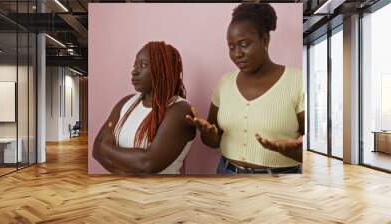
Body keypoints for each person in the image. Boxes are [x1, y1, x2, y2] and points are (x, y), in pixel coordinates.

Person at [186, 3, 304, 174]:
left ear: (265, 39)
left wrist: (291, 151)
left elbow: (313, 149)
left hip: (280, 183)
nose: (237, 54)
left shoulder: (297, 81)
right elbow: (213, 140)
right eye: (231, 46)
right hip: (227, 176)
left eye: (244, 44)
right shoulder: (224, 83)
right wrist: (209, 135)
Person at [93, 41, 196, 175]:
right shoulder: (126, 103)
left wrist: (106, 147)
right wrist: (130, 169)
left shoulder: (179, 110)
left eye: (143, 65)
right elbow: (96, 150)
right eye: (135, 65)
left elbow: (147, 164)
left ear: (163, 69)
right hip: (122, 191)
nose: (134, 71)